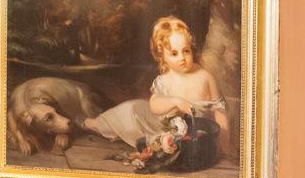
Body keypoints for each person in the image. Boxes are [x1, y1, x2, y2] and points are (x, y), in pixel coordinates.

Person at [86, 16, 229, 157]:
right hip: (156, 124)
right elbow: (154, 106)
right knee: (130, 111)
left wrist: (225, 143)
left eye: (186, 51)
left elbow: (219, 110)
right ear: (163, 57)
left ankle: (103, 126)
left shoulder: (205, 76)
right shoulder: (164, 80)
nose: (182, 58)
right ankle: (95, 124)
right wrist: (175, 102)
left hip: (188, 131)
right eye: (174, 53)